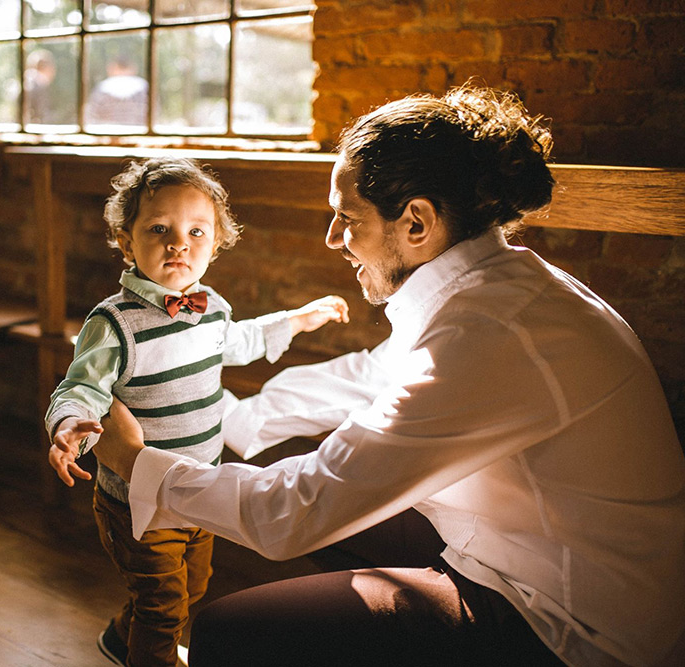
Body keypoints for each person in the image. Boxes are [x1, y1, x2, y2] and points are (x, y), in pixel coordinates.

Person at [92, 85, 685, 667]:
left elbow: (296, 513)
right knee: (311, 478)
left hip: (571, 623)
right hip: (522, 544)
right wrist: (227, 421)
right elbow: (370, 377)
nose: (332, 239)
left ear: (417, 223)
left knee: (227, 632)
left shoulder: (496, 333)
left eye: (346, 218)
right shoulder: (493, 288)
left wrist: (140, 464)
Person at [45, 156, 350, 667]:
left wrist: (298, 319)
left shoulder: (210, 307)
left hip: (200, 485)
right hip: (140, 501)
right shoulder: (115, 323)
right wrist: (69, 423)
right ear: (126, 241)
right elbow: (81, 386)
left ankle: (123, 636)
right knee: (164, 607)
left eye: (196, 231)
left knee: (192, 585)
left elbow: (241, 339)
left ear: (216, 243)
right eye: (159, 228)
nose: (178, 243)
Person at [84, 58, 149, 128]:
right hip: (139, 134)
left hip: (109, 134)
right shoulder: (144, 88)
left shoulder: (102, 88)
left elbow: (91, 116)